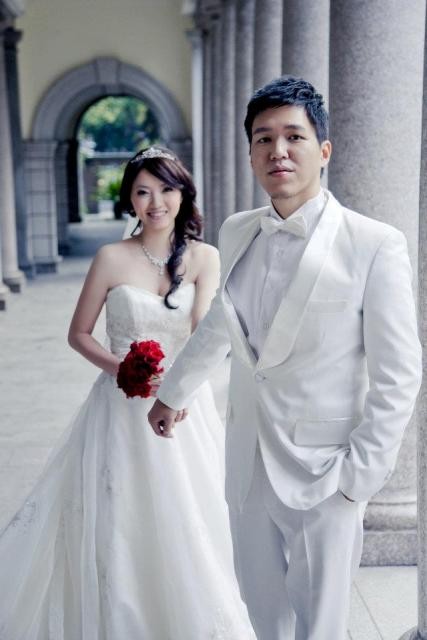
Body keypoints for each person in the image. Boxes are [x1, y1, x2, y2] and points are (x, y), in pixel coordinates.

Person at [149, 77, 423, 640]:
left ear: (323, 150)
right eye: (264, 138)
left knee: (320, 626)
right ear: (251, 153)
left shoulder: (375, 243)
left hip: (326, 471)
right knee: (263, 615)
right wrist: (172, 392)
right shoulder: (236, 230)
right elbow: (222, 323)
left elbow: (399, 373)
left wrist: (359, 477)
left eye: (294, 136)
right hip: (247, 464)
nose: (278, 150)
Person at [0, 146, 255, 640]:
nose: (156, 202)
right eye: (143, 192)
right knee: (121, 518)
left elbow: (204, 333)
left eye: (166, 189)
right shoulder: (110, 258)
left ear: (183, 193)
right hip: (118, 407)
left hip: (185, 406)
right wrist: (122, 369)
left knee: (189, 513)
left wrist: (178, 389)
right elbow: (79, 334)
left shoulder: (204, 257)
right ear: (130, 201)